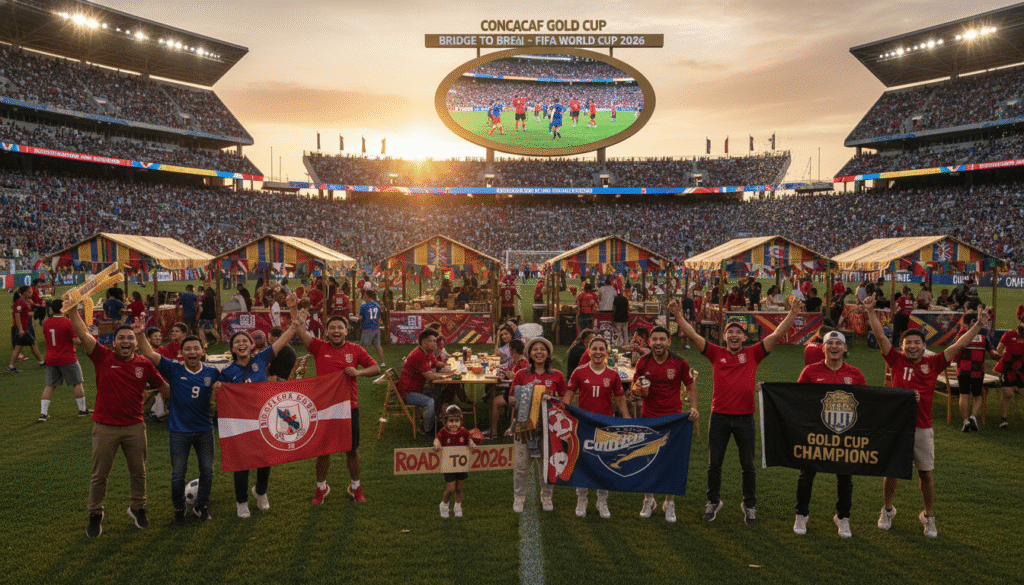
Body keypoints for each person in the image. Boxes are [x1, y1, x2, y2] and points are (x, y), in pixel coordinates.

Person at [669, 297, 803, 526]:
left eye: (738, 332)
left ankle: (749, 505)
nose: (733, 335)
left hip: (745, 418)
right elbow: (693, 336)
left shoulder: (753, 353)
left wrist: (791, 313)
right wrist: (679, 316)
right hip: (719, 416)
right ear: (724, 337)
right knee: (714, 465)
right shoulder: (715, 353)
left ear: (744, 337)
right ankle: (713, 501)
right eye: (730, 331)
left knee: (748, 466)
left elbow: (776, 336)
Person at [864, 294, 990, 538]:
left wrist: (978, 325)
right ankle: (887, 509)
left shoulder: (934, 363)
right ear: (902, 346)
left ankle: (928, 516)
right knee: (892, 470)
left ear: (924, 346)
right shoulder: (896, 360)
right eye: (907, 343)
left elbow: (959, 345)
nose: (912, 346)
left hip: (922, 427)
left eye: (916, 343)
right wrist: (870, 312)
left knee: (925, 474)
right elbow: (881, 337)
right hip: (897, 427)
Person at [69, 302, 167, 538]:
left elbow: (163, 387)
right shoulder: (102, 356)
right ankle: (95, 514)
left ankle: (138, 508)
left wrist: (188, 401)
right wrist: (73, 310)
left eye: (130, 338)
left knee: (139, 472)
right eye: (121, 337)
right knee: (99, 475)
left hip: (135, 426)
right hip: (105, 427)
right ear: (113, 342)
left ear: (136, 342)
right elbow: (82, 333)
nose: (125, 341)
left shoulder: (144, 364)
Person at [291, 307, 379, 505]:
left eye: (340, 327)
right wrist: (294, 311)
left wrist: (358, 373)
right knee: (323, 450)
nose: (336, 331)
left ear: (346, 331)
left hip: (349, 407)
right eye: (332, 328)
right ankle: (321, 487)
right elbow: (300, 332)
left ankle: (355, 486)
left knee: (352, 449)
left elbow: (375, 368)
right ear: (327, 332)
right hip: (323, 408)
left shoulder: (356, 350)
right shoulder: (319, 347)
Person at [135, 323, 218, 525]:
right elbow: (149, 353)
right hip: (179, 431)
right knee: (177, 474)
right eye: (187, 349)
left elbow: (234, 385)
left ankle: (202, 507)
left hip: (204, 430)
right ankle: (179, 510)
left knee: (207, 471)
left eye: (196, 348)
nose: (192, 352)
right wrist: (139, 334)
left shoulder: (212, 372)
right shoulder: (173, 368)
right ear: (181, 353)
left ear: (202, 351)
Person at [220, 317, 304, 518]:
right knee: (241, 463)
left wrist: (294, 325)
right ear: (232, 349)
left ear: (252, 345)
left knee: (265, 461)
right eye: (236, 342)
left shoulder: (261, 359)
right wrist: (218, 388)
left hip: (263, 419)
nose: (241, 344)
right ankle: (241, 501)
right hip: (240, 424)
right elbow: (221, 396)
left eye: (244, 341)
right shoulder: (227, 372)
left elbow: (281, 342)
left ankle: (260, 492)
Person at [793, 331, 867, 538]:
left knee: (845, 476)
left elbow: (868, 401)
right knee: (807, 474)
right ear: (823, 348)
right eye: (830, 343)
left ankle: (843, 517)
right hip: (816, 433)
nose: (834, 347)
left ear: (845, 348)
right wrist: (767, 391)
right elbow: (795, 398)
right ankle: (801, 514)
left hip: (844, 434)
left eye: (838, 343)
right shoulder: (809, 372)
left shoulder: (855, 374)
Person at [634, 326, 698, 523]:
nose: (658, 342)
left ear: (669, 341)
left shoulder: (679, 362)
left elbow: (690, 386)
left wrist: (694, 407)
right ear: (649, 342)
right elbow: (635, 388)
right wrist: (639, 390)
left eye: (662, 339)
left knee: (672, 461)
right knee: (648, 460)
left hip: (673, 419)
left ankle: (669, 503)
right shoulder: (642, 362)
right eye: (655, 339)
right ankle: (648, 499)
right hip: (649, 417)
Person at [565, 336, 630, 518]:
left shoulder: (613, 374)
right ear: (589, 350)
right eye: (595, 349)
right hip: (584, 425)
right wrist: (563, 415)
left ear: (607, 352)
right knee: (583, 461)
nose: (598, 352)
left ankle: (602, 501)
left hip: (605, 426)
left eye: (602, 349)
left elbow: (620, 399)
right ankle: (582, 499)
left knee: (604, 463)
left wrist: (627, 419)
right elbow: (568, 397)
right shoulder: (579, 372)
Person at [510, 337, 567, 512]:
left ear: (548, 353)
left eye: (543, 349)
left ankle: (546, 496)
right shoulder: (521, 375)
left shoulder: (557, 375)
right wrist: (529, 397)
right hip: (524, 427)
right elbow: (511, 398)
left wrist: (552, 399)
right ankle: (519, 498)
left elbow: (565, 402)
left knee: (547, 465)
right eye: (535, 349)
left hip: (548, 428)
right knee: (521, 466)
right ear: (529, 354)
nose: (539, 352)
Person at [38, 299, 90, 421]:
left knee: (49, 386)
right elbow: (76, 340)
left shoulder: (46, 323)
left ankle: (43, 413)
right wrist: (85, 336)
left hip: (51, 359)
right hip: (68, 358)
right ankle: (82, 410)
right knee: (77, 383)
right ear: (64, 309)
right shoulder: (68, 322)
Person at [397, 329, 452, 436]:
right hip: (407, 393)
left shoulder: (428, 352)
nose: (435, 343)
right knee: (429, 402)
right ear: (424, 343)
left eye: (435, 341)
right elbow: (430, 376)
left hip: (417, 389)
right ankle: (427, 430)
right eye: (432, 341)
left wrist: (448, 366)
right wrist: (446, 375)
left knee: (441, 393)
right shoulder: (418, 355)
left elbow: (437, 363)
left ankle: (433, 420)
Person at [953, 312, 998, 432]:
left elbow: (956, 352)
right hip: (978, 370)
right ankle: (973, 417)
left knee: (964, 395)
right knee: (977, 395)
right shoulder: (983, 336)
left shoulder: (962, 335)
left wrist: (955, 360)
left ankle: (966, 421)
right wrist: (996, 355)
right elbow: (991, 351)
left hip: (963, 370)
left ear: (967, 324)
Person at [433, 405, 478, 518]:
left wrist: (471, 442)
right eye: (451, 421)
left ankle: (457, 507)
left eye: (456, 421)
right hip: (448, 464)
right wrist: (437, 443)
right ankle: (444, 505)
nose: (454, 424)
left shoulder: (463, 432)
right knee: (451, 488)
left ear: (461, 421)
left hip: (461, 464)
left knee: (459, 488)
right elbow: (437, 439)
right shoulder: (444, 432)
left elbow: (469, 439)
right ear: (445, 422)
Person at [489, 338, 528, 439]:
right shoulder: (515, 362)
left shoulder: (523, 364)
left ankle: (512, 431)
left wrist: (511, 376)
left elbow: (520, 380)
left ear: (513, 351)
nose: (509, 352)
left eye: (509, 350)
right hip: (510, 391)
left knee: (503, 402)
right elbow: (509, 372)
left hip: (518, 394)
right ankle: (493, 432)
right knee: (495, 401)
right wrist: (505, 373)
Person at [994, 305, 1024, 429]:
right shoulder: (1008, 335)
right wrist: (1003, 354)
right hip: (1008, 367)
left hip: (1022, 368)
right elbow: (999, 349)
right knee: (1008, 394)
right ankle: (1003, 419)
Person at [8, 285, 44, 372]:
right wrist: (20, 329)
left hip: (22, 329)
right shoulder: (20, 302)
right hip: (21, 329)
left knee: (19, 348)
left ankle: (11, 367)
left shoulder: (25, 301)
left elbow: (26, 314)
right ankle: (42, 362)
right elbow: (17, 316)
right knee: (33, 344)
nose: (31, 293)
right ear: (24, 292)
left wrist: (36, 310)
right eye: (29, 291)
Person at [359, 289, 385, 367]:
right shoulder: (377, 305)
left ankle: (366, 362)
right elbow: (380, 315)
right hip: (376, 328)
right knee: (378, 345)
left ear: (367, 296)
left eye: (364, 295)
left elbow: (360, 317)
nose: (363, 296)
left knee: (365, 347)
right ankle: (383, 362)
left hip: (367, 328)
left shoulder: (364, 306)